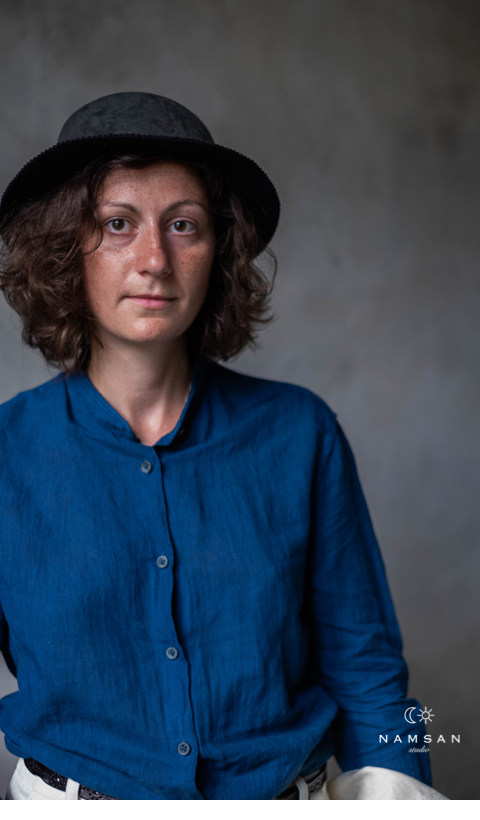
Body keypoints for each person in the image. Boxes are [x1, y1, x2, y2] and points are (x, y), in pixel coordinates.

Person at [0, 91, 436, 800]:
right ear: (63, 249)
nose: (154, 260)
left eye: (183, 225)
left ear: (218, 252)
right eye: (116, 224)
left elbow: (367, 665)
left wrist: (400, 790)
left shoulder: (300, 433)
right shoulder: (7, 452)